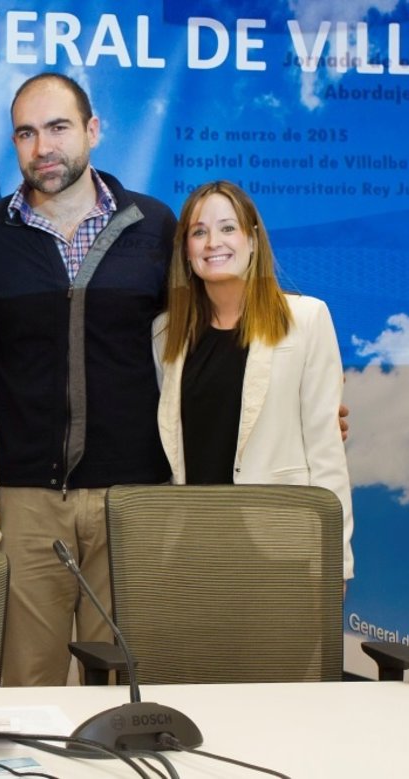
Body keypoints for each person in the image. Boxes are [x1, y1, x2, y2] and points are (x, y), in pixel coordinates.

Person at [0, 73, 176, 686]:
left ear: (93, 130)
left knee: (125, 684)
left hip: (131, 495)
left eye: (57, 128)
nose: (43, 147)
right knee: (26, 685)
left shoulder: (155, 225)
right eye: (26, 134)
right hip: (25, 499)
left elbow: (200, 340)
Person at [153, 180, 354, 579]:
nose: (213, 242)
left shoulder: (307, 319)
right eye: (199, 232)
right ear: (186, 250)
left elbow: (326, 453)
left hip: (281, 547)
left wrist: (336, 563)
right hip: (193, 548)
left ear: (252, 239)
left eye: (228, 228)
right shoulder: (165, 333)